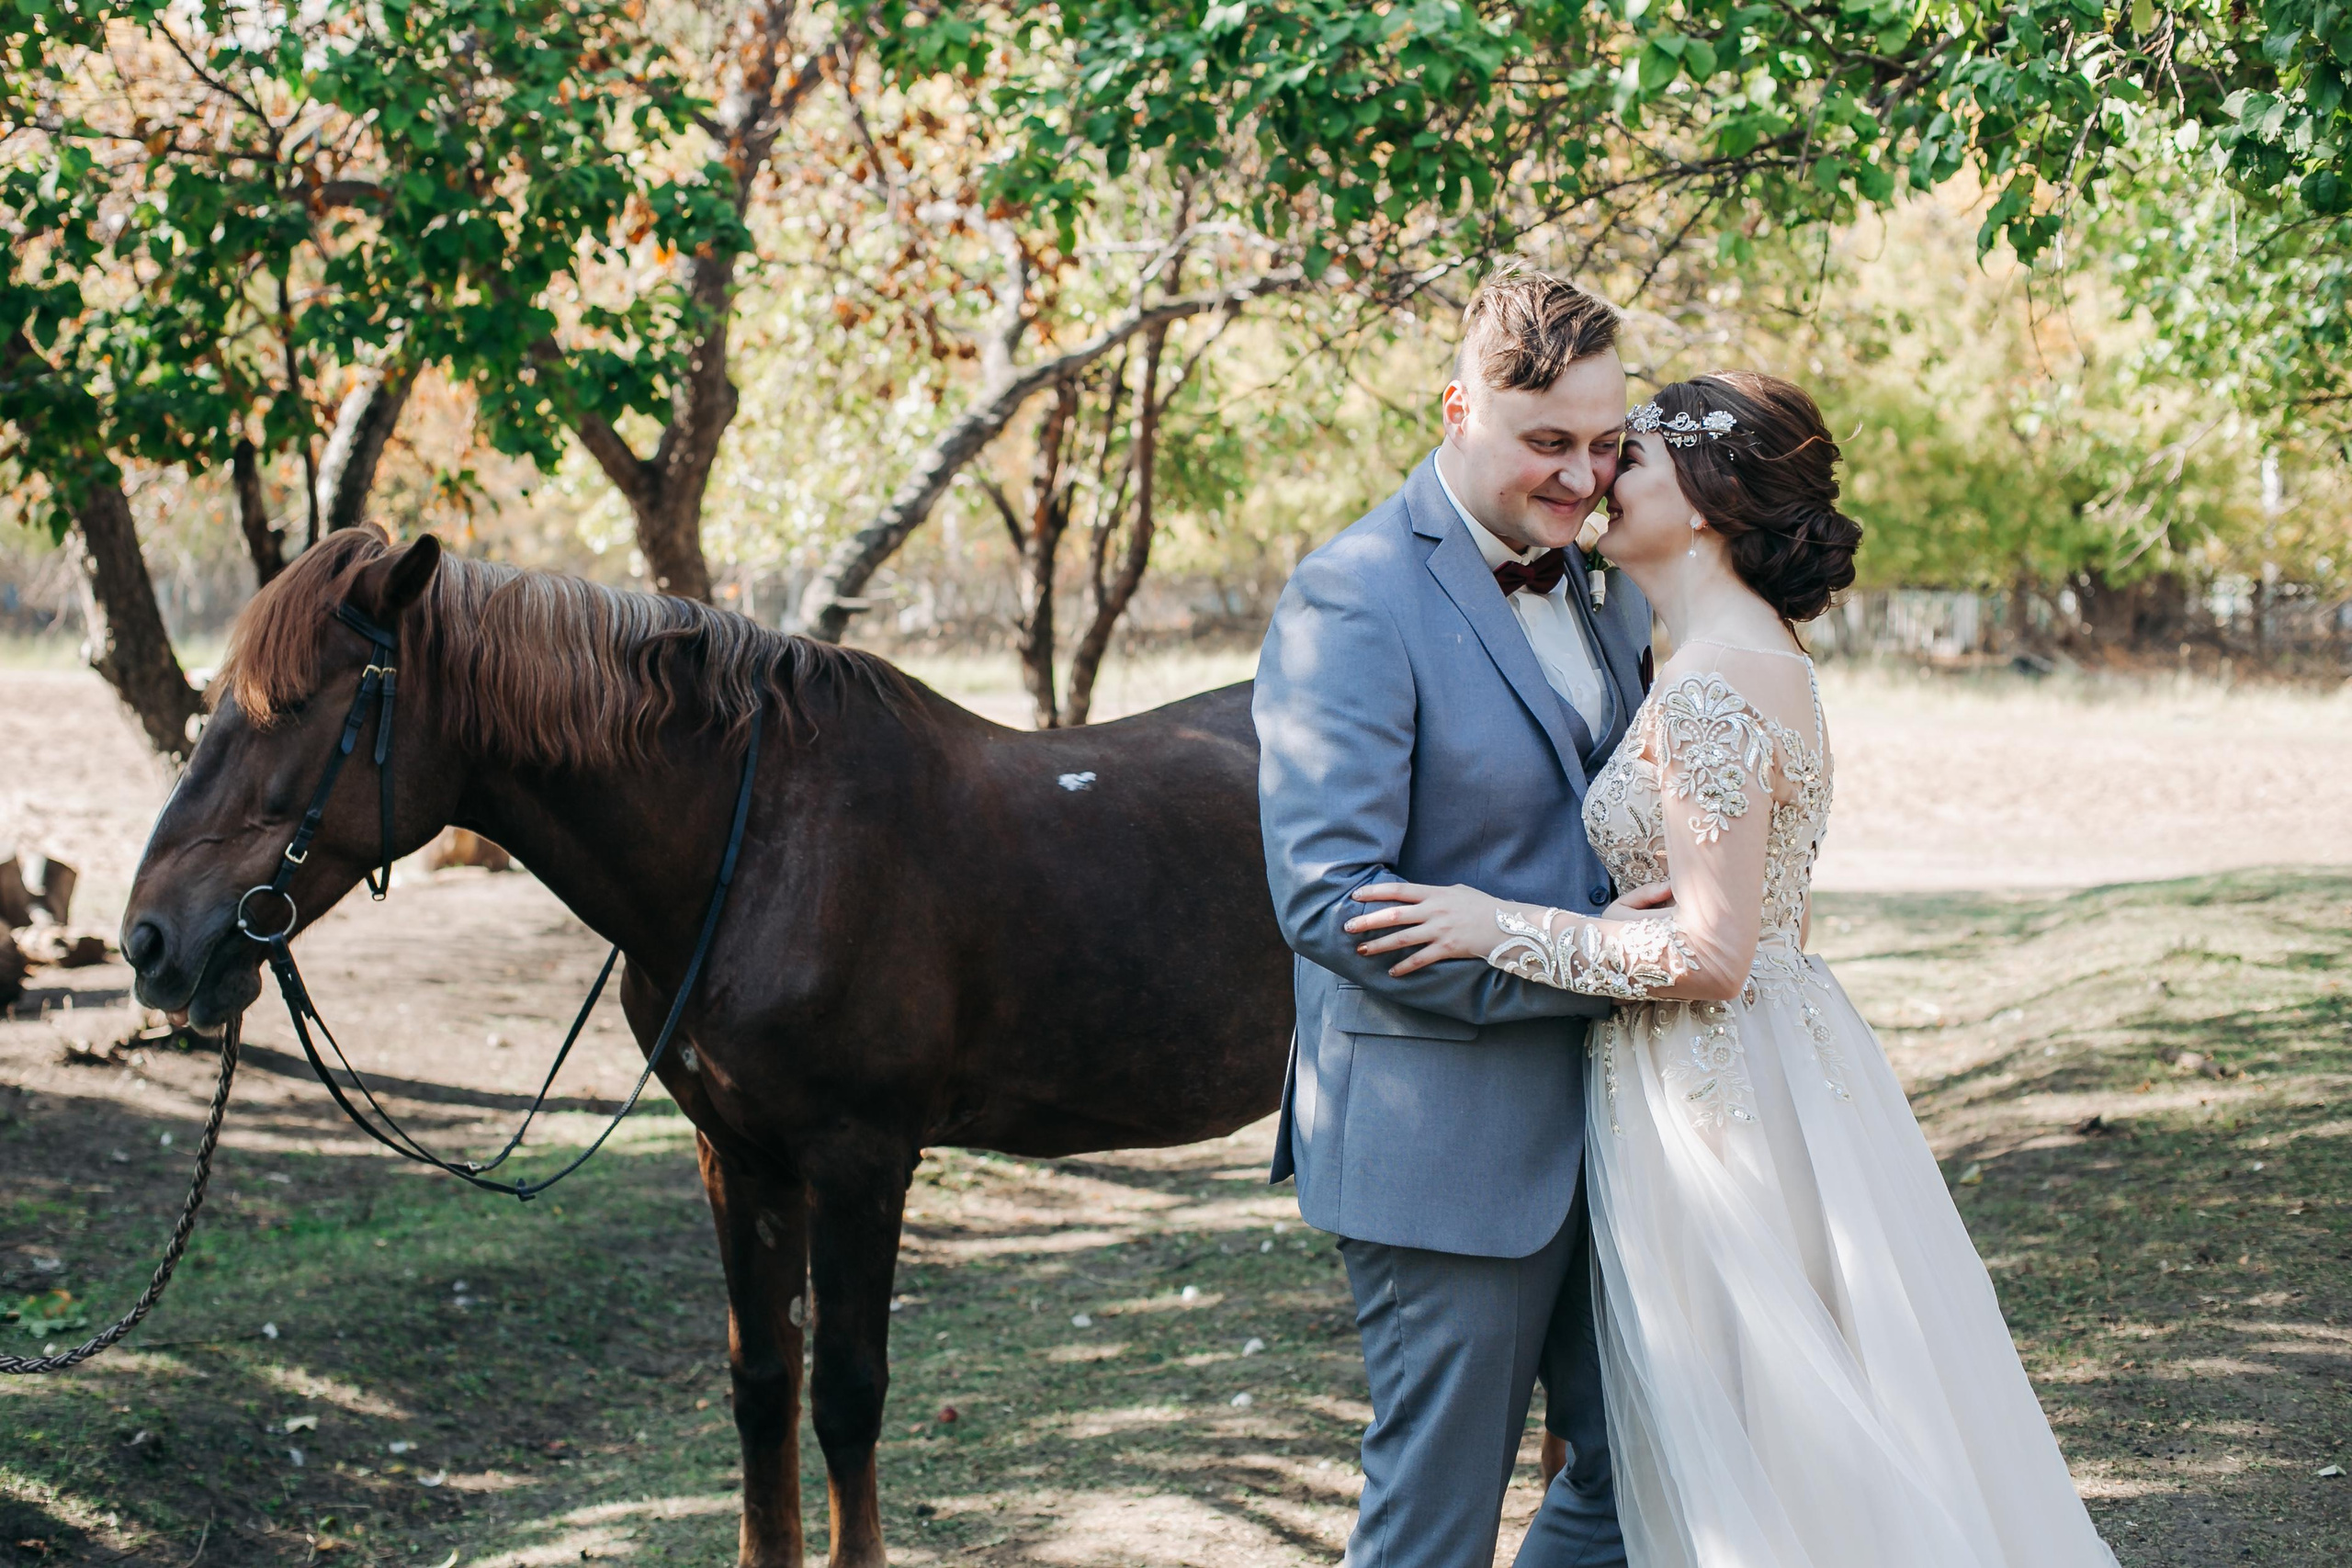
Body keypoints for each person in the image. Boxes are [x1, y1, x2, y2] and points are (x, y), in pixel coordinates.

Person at [1344, 372, 2120, 1567]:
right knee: (1744, 1437)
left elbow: (1714, 954)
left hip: (1715, 1101)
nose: (1600, 481)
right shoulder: (1722, 658)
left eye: (1630, 460)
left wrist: (1485, 922)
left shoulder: (1713, 683)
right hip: (1748, 1071)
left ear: (1703, 504)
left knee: (1748, 1439)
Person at [1253, 268, 1650, 1568]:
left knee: (1642, 1478)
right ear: (1457, 408)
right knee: (1434, 1523)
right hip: (1445, 1149)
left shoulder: (1612, 584)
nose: (1584, 478)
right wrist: (1604, 970)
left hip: (1634, 1132)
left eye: (1603, 445)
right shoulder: (1354, 595)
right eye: (1548, 444)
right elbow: (1329, 895)